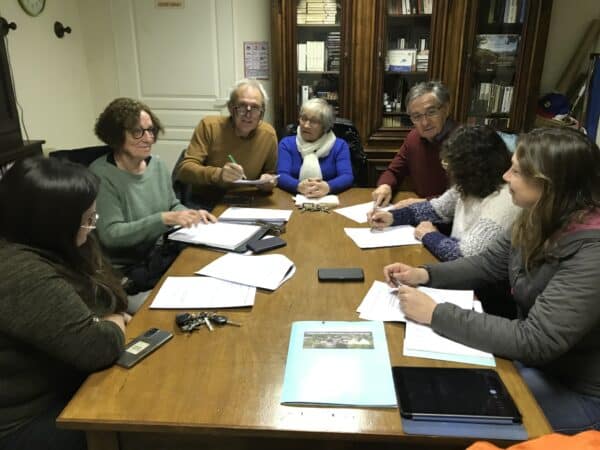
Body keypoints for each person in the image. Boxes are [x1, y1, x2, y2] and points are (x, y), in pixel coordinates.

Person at [384, 128, 600, 434]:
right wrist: (424, 274)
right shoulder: (538, 215)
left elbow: (535, 340)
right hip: (534, 366)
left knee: (441, 413)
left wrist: (435, 313)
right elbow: (488, 264)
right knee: (426, 388)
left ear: (551, 184)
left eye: (517, 171)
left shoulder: (592, 252)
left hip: (579, 393)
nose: (506, 176)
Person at [0, 156, 127, 450]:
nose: (93, 226)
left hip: (65, 383)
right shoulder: (21, 273)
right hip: (25, 421)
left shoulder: (53, 245)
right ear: (53, 223)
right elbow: (98, 347)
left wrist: (108, 317)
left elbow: (108, 294)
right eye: (87, 219)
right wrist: (114, 320)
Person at [90, 98, 216, 302]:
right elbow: (111, 235)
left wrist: (190, 215)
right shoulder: (101, 175)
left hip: (159, 256)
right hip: (125, 274)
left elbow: (172, 204)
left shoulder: (156, 165)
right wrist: (164, 219)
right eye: (137, 132)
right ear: (115, 135)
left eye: (151, 130)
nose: (148, 138)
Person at [368, 125, 519, 262]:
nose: (448, 171)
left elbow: (464, 257)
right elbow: (435, 209)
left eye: (452, 165)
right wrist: (392, 217)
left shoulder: (505, 200)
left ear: (475, 169)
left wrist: (429, 235)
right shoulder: (470, 184)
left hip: (478, 287)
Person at [175, 78, 279, 204]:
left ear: (262, 112)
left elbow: (271, 173)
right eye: (242, 106)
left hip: (248, 200)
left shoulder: (268, 134)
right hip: (207, 202)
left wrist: (269, 182)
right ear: (230, 108)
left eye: (255, 108)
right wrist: (219, 175)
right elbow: (184, 170)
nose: (248, 114)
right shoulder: (209, 126)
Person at [372, 81, 457, 207]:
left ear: (446, 109)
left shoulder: (465, 141)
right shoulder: (413, 138)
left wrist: (423, 204)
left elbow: (466, 197)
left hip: (454, 222)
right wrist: (385, 186)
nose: (425, 123)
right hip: (421, 216)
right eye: (416, 116)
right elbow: (394, 172)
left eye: (431, 112)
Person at [277, 98, 353, 197]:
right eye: (303, 118)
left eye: (314, 121)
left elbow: (347, 176)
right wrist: (298, 186)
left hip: (329, 200)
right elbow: (281, 175)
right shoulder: (287, 144)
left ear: (325, 126)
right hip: (294, 199)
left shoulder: (339, 146)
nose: (306, 125)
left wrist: (328, 187)